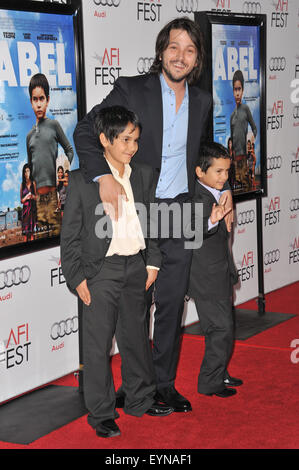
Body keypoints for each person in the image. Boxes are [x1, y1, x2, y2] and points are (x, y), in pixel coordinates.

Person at [73, 17, 233, 413]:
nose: (181, 56)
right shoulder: (132, 89)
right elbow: (83, 130)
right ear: (161, 51)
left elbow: (205, 155)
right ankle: (134, 386)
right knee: (135, 304)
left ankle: (163, 385)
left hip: (179, 210)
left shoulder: (202, 100)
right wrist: (101, 178)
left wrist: (221, 188)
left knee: (172, 302)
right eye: (174, 47)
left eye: (190, 50)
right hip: (137, 212)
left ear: (197, 60)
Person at [60, 106, 173, 439]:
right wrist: (76, 277)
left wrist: (152, 262)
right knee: (97, 346)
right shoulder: (83, 181)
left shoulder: (143, 175)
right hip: (100, 272)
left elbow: (152, 221)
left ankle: (140, 398)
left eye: (135, 140)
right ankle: (102, 413)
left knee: (137, 338)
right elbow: (70, 238)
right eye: (124, 140)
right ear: (104, 141)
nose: (132, 147)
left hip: (136, 266)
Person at [188, 142, 242, 398]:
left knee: (224, 326)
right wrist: (212, 219)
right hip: (205, 276)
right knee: (219, 328)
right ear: (200, 172)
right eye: (219, 172)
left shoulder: (216, 191)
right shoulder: (196, 196)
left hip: (218, 270)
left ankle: (219, 371)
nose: (225, 177)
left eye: (227, 172)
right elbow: (191, 233)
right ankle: (210, 381)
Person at [26, 73, 74, 237]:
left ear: (48, 100)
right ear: (31, 102)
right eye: (35, 99)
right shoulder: (29, 136)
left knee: (57, 244)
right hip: (38, 202)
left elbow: (69, 149)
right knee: (39, 245)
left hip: (54, 197)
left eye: (42, 99)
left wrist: (65, 173)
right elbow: (30, 167)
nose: (39, 104)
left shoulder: (54, 125)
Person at [230, 70, 257, 191]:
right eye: (235, 89)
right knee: (236, 189)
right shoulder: (231, 116)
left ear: (243, 90)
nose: (237, 93)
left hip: (245, 158)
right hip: (235, 159)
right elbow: (231, 137)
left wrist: (251, 140)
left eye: (239, 89)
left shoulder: (245, 109)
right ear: (232, 91)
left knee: (247, 187)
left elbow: (254, 128)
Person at [20, 163, 37, 242]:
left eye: (28, 171)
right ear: (24, 173)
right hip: (25, 211)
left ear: (30, 172)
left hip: (32, 210)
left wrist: (32, 196)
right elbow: (21, 201)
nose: (27, 173)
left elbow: (36, 197)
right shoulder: (22, 185)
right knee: (25, 235)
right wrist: (26, 197)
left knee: (32, 233)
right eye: (25, 171)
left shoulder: (33, 183)